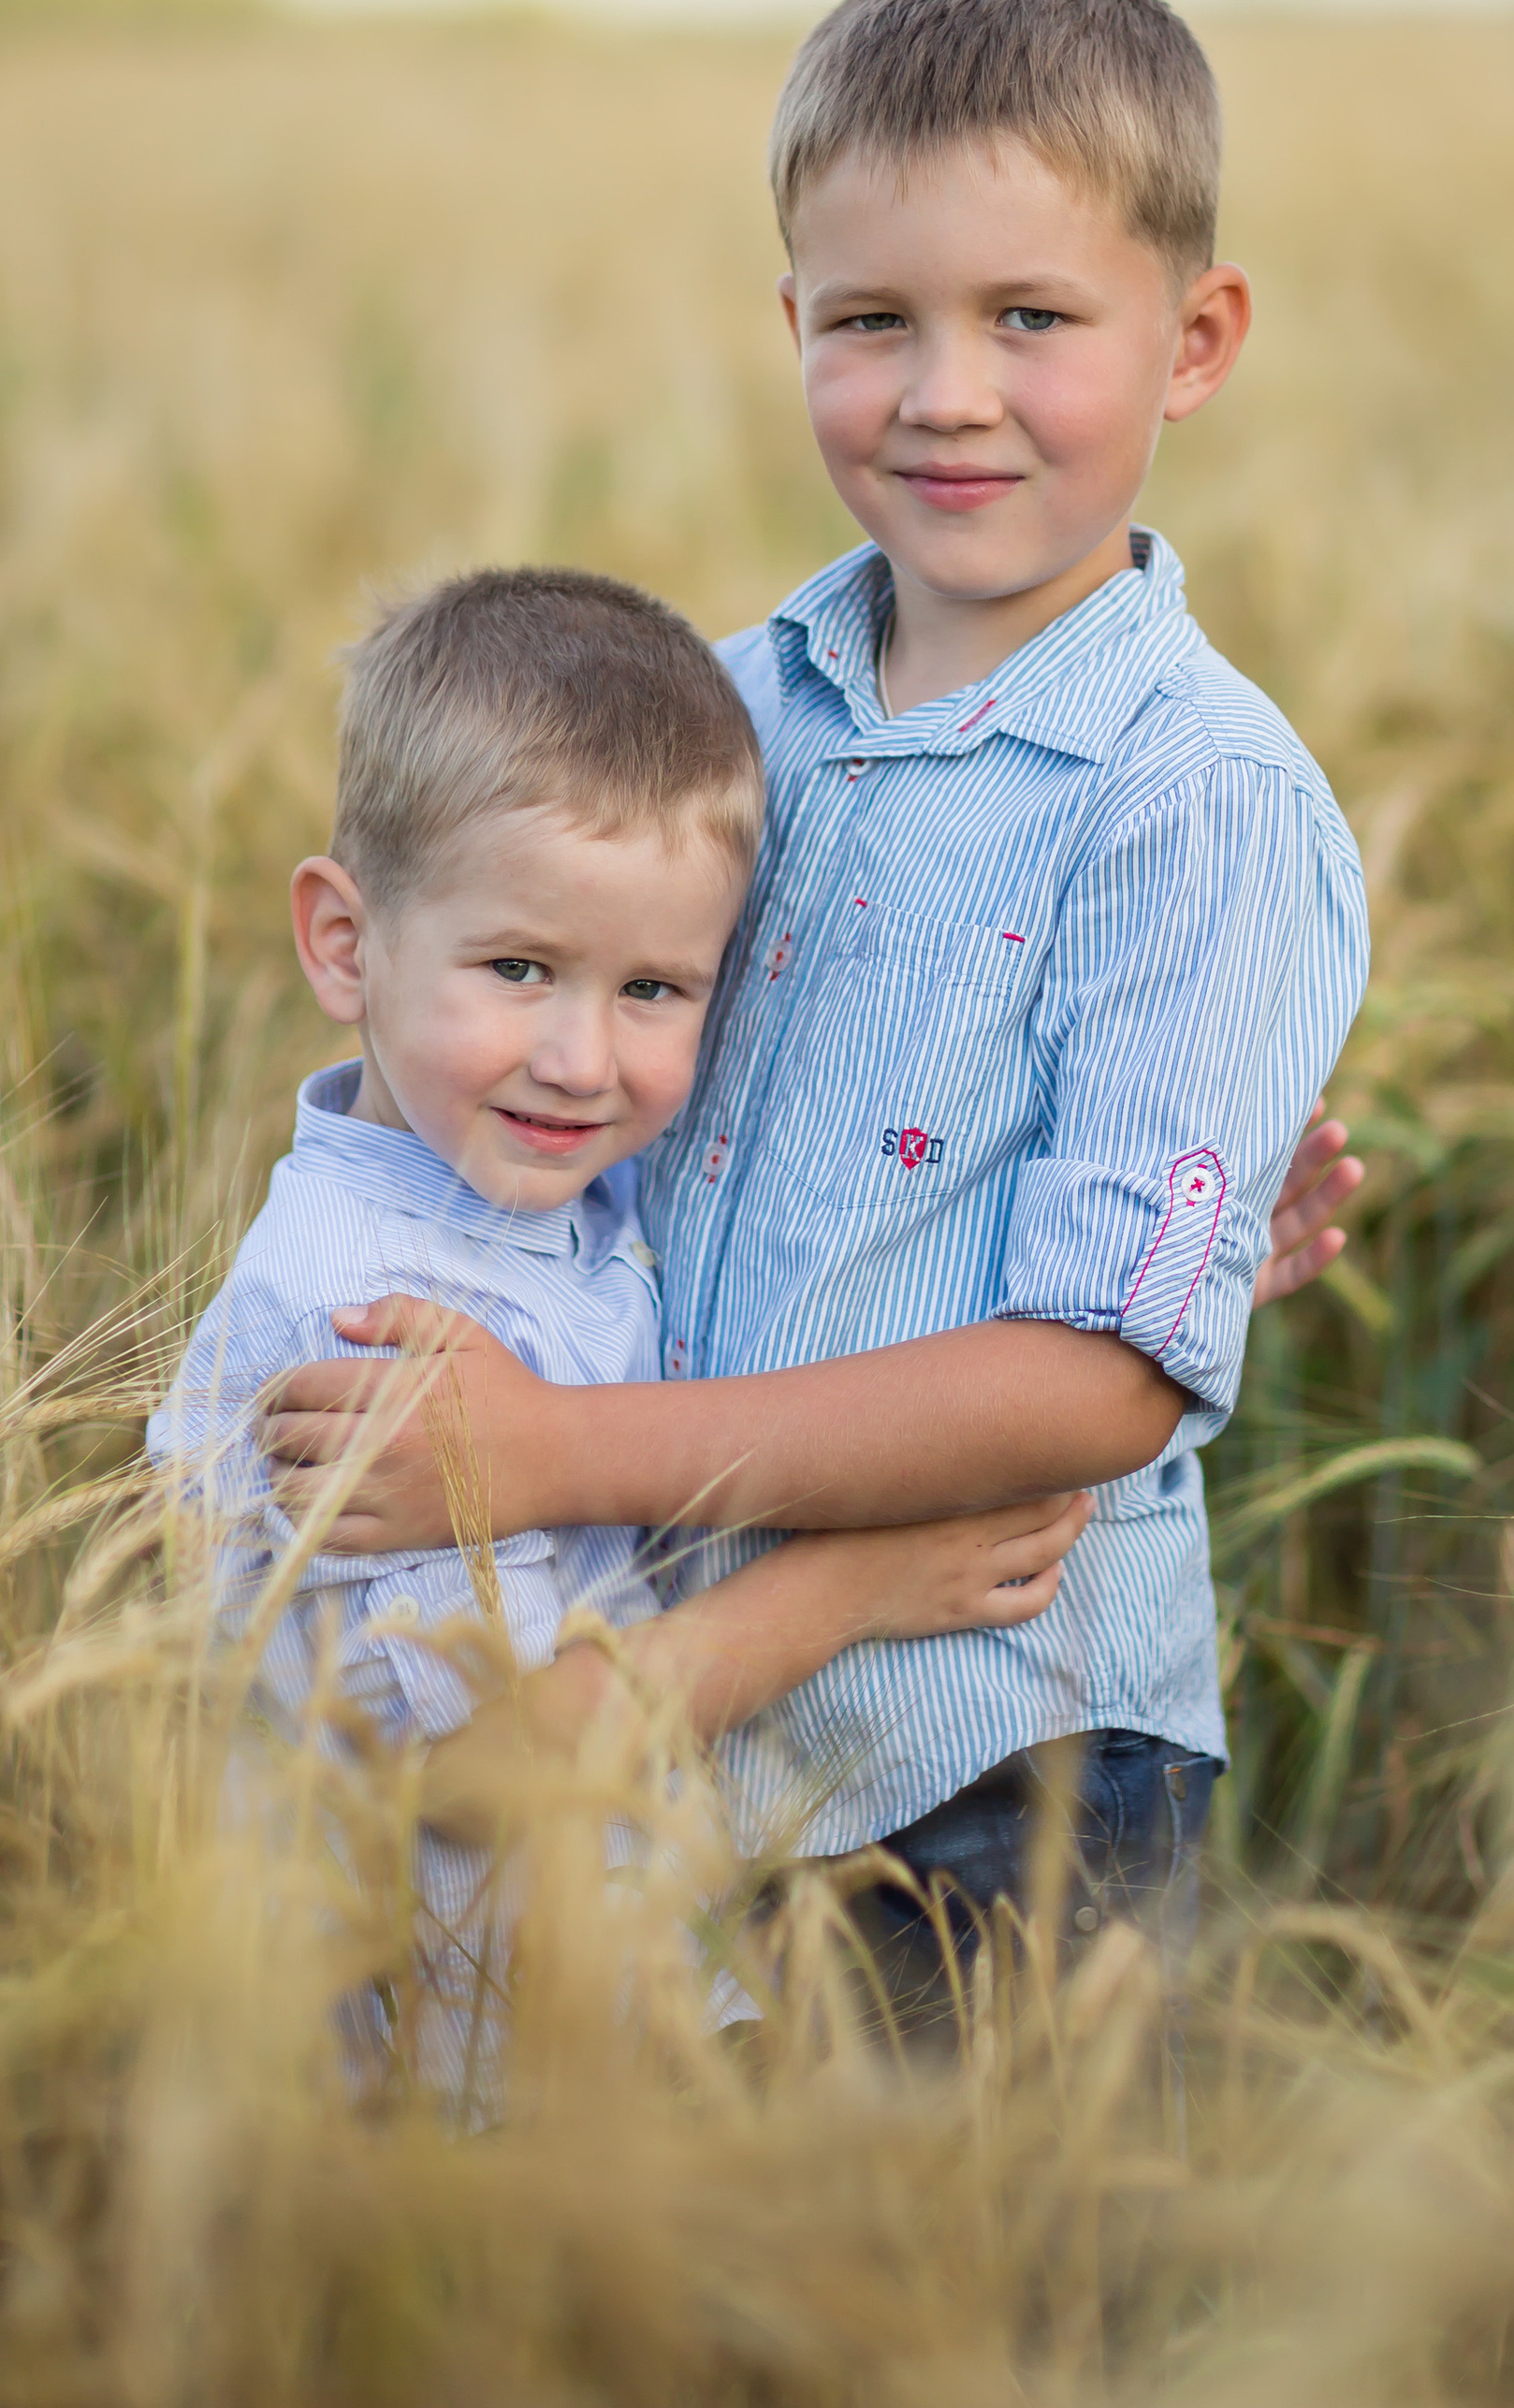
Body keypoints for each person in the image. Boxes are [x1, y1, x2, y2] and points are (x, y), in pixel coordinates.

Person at [257, 0, 1372, 2001]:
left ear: (1193, 338)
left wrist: (541, 1460)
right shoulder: (723, 711)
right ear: (790, 326)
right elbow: (547, 1070)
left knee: (978, 2296)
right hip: (675, 1707)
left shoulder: (1191, 801)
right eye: (872, 322)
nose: (944, 393)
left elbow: (1101, 1382)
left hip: (995, 1742)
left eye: (1029, 318)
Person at [149, 564, 1094, 2094]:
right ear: (343, 941)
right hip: (447, 2102)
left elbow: (826, 1268)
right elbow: (480, 1775)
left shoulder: (558, 1194)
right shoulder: (364, 1317)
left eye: (655, 988)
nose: (582, 1059)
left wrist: (1141, 1282)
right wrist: (853, 1586)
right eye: (518, 969)